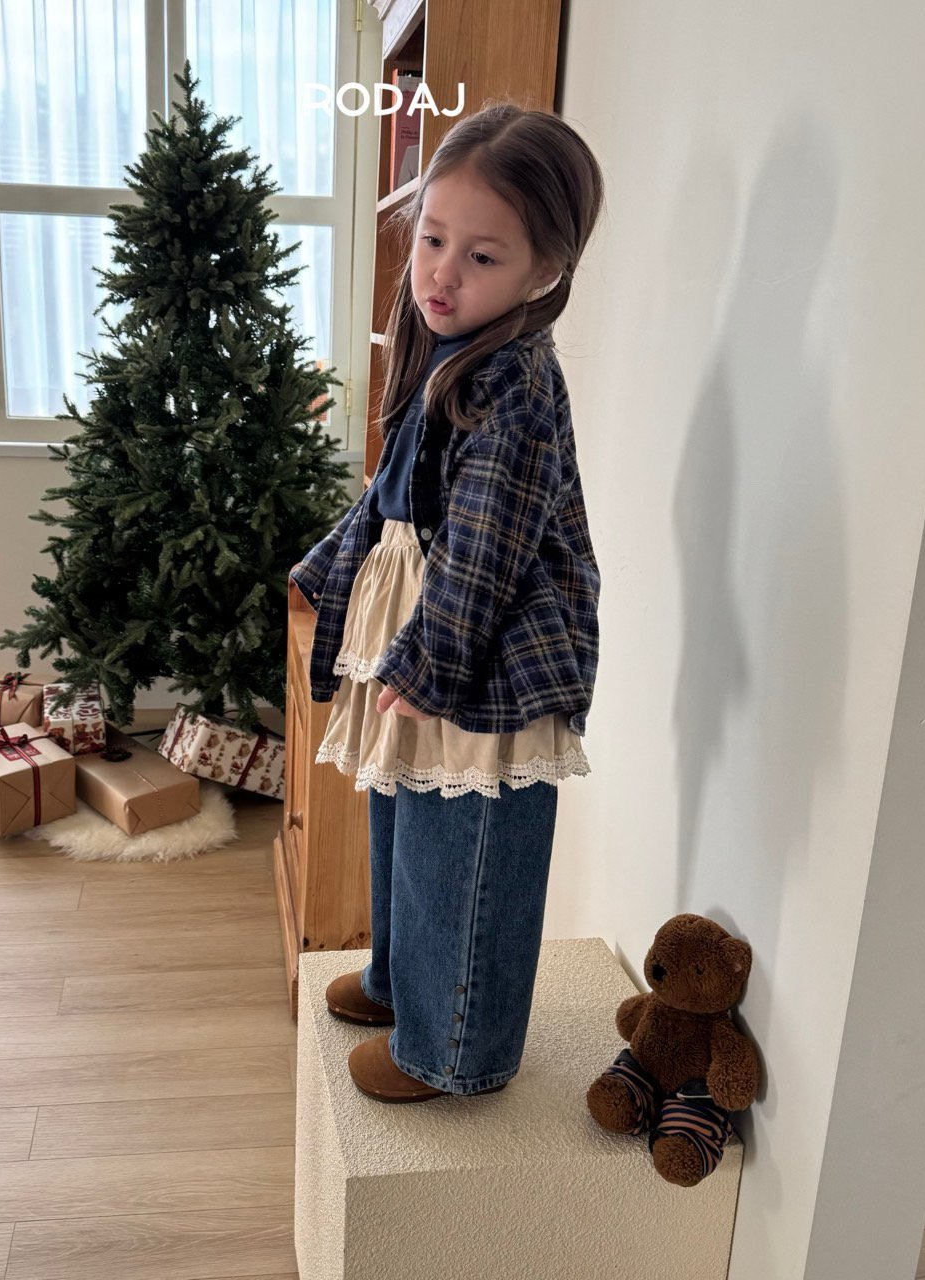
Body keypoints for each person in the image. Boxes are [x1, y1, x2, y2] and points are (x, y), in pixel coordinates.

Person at [289, 102, 605, 1103]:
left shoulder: (516, 383)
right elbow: (391, 495)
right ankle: (399, 984)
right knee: (401, 820)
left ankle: (453, 1048)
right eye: (431, 239)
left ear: (544, 271)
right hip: (423, 643)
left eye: (481, 256)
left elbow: (487, 548)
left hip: (483, 661)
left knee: (462, 850)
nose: (441, 273)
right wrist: (327, 565)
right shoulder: (440, 348)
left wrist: (432, 662)